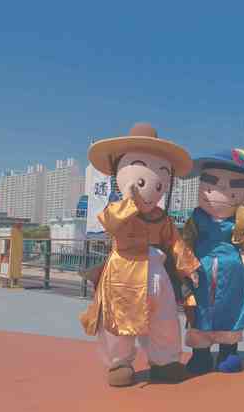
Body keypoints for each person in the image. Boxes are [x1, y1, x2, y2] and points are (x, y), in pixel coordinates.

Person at [80, 123, 200, 387]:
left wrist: (189, 268)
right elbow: (111, 223)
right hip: (123, 273)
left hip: (157, 273)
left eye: (159, 183)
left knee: (165, 320)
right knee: (119, 322)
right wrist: (130, 202)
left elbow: (175, 243)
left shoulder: (162, 218)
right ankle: (120, 362)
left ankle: (165, 361)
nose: (152, 189)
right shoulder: (117, 210)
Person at [180, 149, 244, 374]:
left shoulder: (242, 219)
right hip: (201, 270)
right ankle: (201, 352)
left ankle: (228, 350)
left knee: (231, 307)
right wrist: (187, 267)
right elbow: (185, 243)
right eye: (212, 185)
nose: (222, 194)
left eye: (234, 188)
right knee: (200, 309)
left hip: (232, 274)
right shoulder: (197, 218)